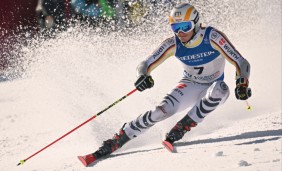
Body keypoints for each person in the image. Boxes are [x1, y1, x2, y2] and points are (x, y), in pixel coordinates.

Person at [83, 2, 252, 163]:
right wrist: (143, 76)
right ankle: (117, 140)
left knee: (219, 90)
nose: (180, 32)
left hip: (214, 84)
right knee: (160, 111)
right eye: (175, 28)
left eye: (185, 27)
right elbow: (145, 64)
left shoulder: (212, 36)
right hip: (190, 84)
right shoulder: (173, 43)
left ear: (196, 23)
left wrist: (242, 83)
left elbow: (241, 62)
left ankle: (180, 129)